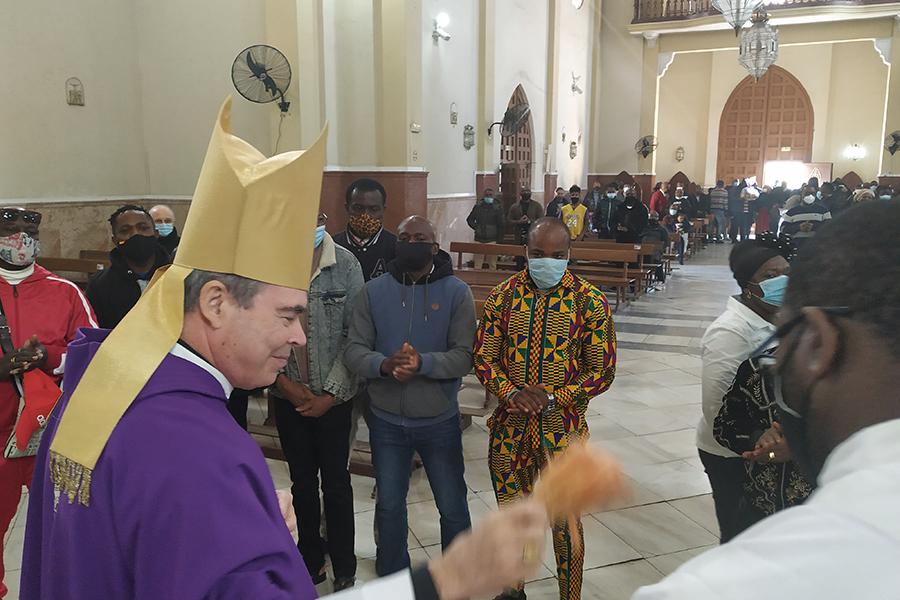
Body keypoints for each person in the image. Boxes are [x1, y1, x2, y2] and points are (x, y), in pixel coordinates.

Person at [21, 99, 550, 600]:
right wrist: (447, 579)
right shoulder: (199, 451)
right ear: (214, 302)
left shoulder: (104, 385)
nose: (299, 336)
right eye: (287, 314)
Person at [634, 200, 900, 599]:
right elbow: (720, 411)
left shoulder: (732, 586)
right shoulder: (728, 334)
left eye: (784, 336)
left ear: (815, 344)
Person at [474, 217, 616, 600]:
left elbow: (602, 370)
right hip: (509, 429)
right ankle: (513, 589)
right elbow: (484, 356)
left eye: (556, 255)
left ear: (569, 254)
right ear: (526, 252)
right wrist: (510, 393)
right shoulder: (503, 296)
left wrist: (553, 396)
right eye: (538, 254)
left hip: (563, 431)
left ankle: (570, 596)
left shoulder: (590, 301)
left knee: (564, 524)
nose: (546, 262)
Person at [344, 215, 475, 578]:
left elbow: (464, 355)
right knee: (388, 505)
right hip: (386, 419)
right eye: (404, 237)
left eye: (420, 238)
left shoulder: (456, 293)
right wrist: (384, 365)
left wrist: (422, 363)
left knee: (451, 504)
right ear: (396, 244)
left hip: (439, 419)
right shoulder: (374, 292)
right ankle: (393, 574)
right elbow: (354, 350)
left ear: (434, 246)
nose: (411, 243)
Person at [0, 207, 97, 598]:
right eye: (10, 228)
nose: (21, 237)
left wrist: (50, 359)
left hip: (51, 432)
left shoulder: (65, 291)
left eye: (29, 229)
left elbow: (92, 354)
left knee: (66, 531)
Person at [270, 213, 365, 591]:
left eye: (316, 216)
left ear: (324, 218)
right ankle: (310, 560)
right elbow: (260, 328)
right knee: (302, 483)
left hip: (334, 398)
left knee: (337, 483)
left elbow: (355, 333)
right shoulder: (272, 263)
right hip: (289, 396)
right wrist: (285, 385)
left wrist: (330, 394)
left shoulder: (345, 264)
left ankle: (344, 565)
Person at [696, 235, 791, 543]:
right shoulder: (729, 332)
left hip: (770, 448)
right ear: (748, 287)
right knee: (739, 534)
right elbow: (716, 406)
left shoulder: (780, 317)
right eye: (770, 276)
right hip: (731, 452)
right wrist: (756, 439)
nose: (783, 281)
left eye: (786, 272)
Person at [713, 347, 812, 534]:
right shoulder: (756, 370)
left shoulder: (851, 379)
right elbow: (724, 425)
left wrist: (801, 446)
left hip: (820, 518)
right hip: (759, 511)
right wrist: (757, 438)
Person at [85, 205, 171, 329]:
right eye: (125, 231)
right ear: (115, 241)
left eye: (143, 228)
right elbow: (97, 332)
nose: (135, 235)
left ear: (156, 234)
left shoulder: (177, 277)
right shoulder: (100, 285)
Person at [334, 178, 396, 282]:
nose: (365, 216)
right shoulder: (332, 246)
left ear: (383, 210)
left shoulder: (395, 247)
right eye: (358, 208)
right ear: (347, 208)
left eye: (374, 209)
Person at [466, 187, 505, 269]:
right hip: (479, 239)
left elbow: (501, 224)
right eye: (487, 195)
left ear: (493, 196)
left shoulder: (497, 208)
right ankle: (476, 280)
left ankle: (492, 281)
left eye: (490, 195)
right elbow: (470, 219)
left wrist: (499, 239)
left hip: (492, 239)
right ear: (484, 196)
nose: (488, 197)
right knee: (477, 264)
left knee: (492, 264)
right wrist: (477, 227)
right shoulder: (478, 207)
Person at [508, 188, 543, 269]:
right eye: (524, 192)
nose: (526, 193)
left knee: (532, 259)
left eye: (527, 192)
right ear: (520, 194)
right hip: (518, 236)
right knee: (519, 260)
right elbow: (509, 220)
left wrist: (530, 221)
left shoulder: (536, 205)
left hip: (532, 236)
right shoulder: (515, 206)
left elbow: (541, 220)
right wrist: (519, 221)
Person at [641, 211, 669, 283]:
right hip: (642, 250)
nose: (652, 219)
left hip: (655, 251)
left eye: (654, 217)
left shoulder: (661, 229)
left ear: (657, 218)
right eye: (651, 217)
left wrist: (661, 249)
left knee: (655, 259)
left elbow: (666, 241)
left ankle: (660, 279)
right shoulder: (644, 227)